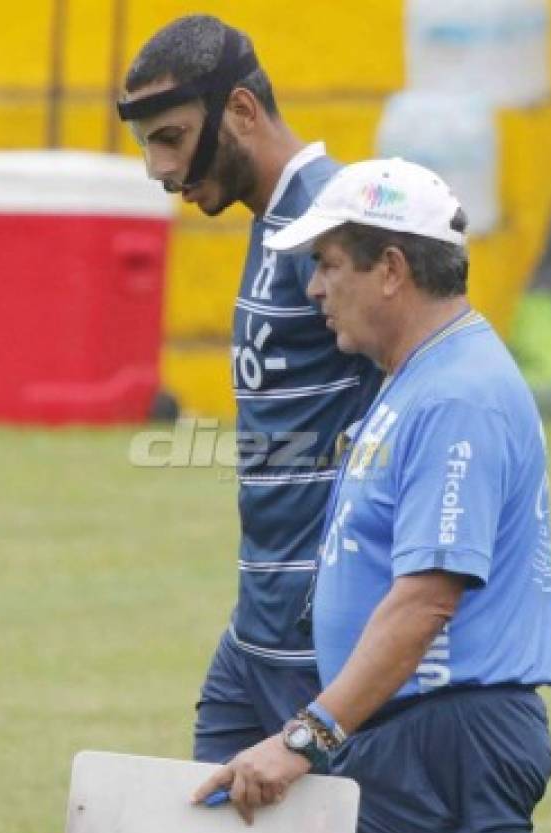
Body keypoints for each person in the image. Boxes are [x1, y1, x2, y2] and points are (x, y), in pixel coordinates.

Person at [194, 158, 551, 833]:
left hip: (447, 739)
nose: (314, 289)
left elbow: (426, 598)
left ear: (390, 268)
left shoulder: (456, 395)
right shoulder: (418, 379)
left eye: (329, 265)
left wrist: (307, 737)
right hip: (411, 738)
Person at [118, 17, 382, 763]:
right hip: (253, 635)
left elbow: (430, 396)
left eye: (168, 137)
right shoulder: (273, 224)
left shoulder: (335, 218)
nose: (156, 168)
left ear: (239, 110)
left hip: (324, 640)